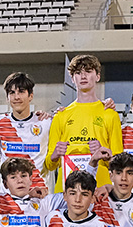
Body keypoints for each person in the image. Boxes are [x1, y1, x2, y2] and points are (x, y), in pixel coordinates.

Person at [46, 54, 123, 192]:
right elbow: (49, 165)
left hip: (100, 190)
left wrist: (104, 153)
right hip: (67, 191)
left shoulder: (110, 114)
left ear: (97, 76)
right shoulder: (61, 116)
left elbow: (118, 163)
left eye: (88, 71)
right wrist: (55, 155)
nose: (83, 76)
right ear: (72, 79)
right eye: (78, 73)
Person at [0, 72, 53, 192]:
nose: (17, 97)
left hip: (38, 195)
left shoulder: (46, 122)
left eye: (21, 91)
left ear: (31, 95)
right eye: (12, 93)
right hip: (8, 198)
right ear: (7, 97)